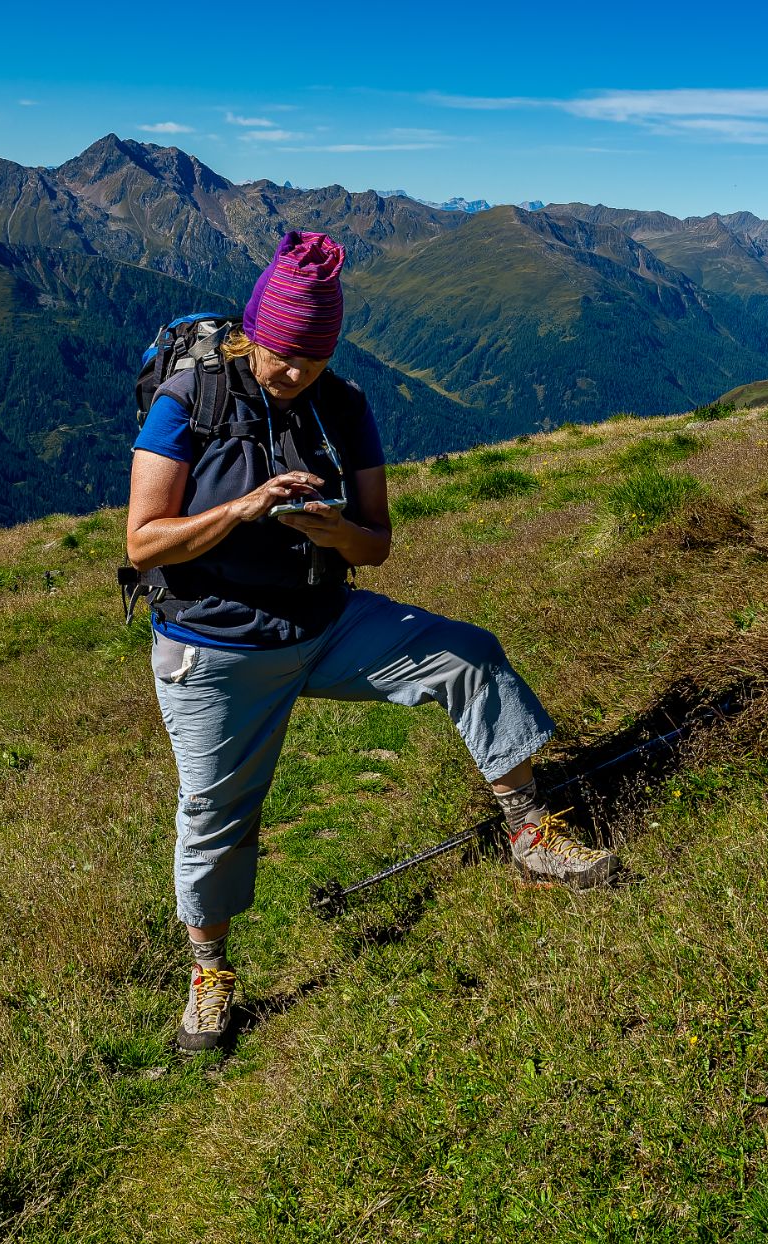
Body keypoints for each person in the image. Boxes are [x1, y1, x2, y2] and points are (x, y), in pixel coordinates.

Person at [126, 230, 618, 1052]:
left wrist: (333, 531)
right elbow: (144, 543)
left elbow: (377, 544)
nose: (291, 375)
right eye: (279, 356)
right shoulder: (189, 401)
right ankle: (209, 977)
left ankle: (530, 832)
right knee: (215, 812)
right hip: (214, 651)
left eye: (309, 362)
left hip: (323, 625)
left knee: (469, 655)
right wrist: (244, 510)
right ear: (252, 333)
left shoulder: (342, 406)